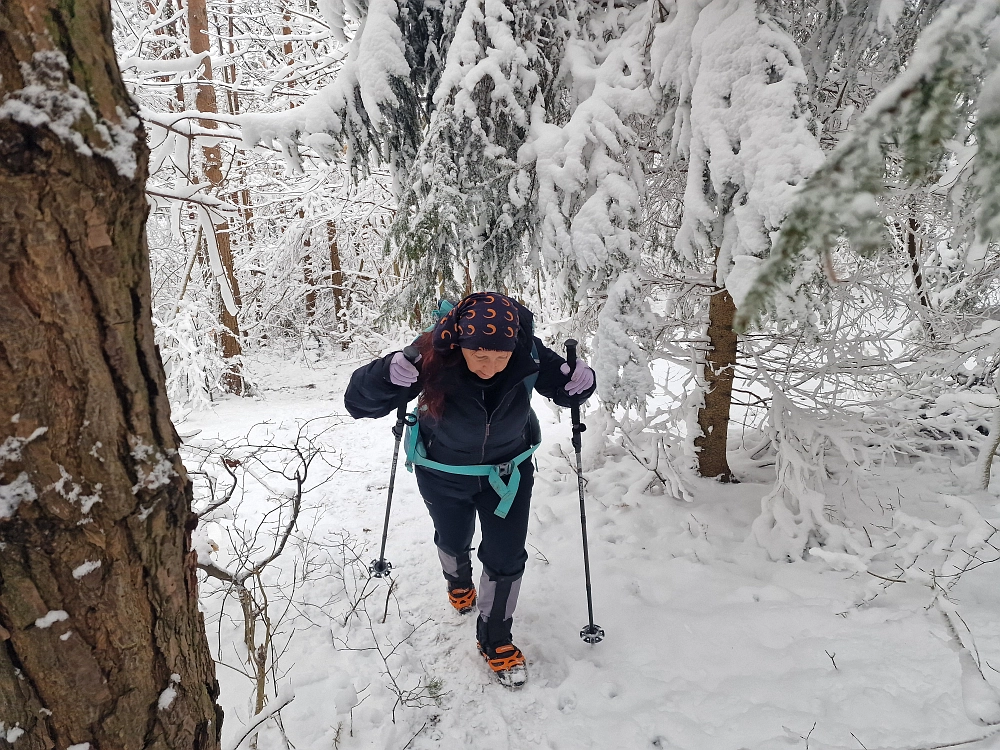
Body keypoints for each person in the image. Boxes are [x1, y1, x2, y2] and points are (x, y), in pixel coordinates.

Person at [344, 292, 596, 688]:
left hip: (508, 475)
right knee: (453, 538)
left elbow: (565, 389)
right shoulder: (429, 354)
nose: (489, 367)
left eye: (500, 357)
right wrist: (383, 375)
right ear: (460, 343)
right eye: (479, 355)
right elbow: (359, 404)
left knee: (507, 557)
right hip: (442, 473)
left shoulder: (527, 352)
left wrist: (581, 382)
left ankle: (495, 638)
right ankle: (458, 582)